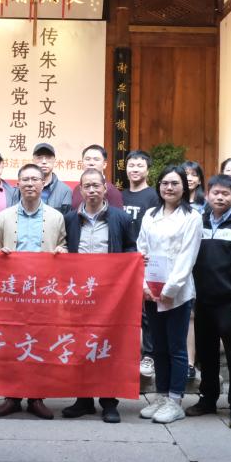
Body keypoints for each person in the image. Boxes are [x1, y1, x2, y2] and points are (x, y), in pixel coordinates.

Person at [0, 163, 68, 419]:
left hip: (44, 292)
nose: (31, 184)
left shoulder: (56, 217)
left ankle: (36, 397)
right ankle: (11, 397)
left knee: (41, 343)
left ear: (43, 183)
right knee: (12, 343)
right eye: (26, 180)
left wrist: (62, 252)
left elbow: (64, 247)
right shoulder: (5, 216)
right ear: (18, 184)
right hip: (13, 292)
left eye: (35, 179)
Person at [184, 174, 231, 428]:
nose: (220, 197)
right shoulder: (199, 221)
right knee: (206, 353)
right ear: (207, 194)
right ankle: (208, 399)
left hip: (230, 302)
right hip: (203, 300)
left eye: (225, 194)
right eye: (215, 193)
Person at [62, 168, 137, 424]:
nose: (92, 190)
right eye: (87, 186)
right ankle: (83, 400)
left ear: (105, 188)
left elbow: (130, 247)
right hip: (78, 294)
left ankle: (109, 402)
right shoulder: (70, 219)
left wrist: (132, 264)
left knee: (107, 346)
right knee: (79, 345)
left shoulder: (120, 218)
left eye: (97, 185)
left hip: (110, 295)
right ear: (80, 190)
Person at [136, 165, 203, 424]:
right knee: (158, 347)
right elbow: (141, 250)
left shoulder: (192, 217)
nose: (169, 188)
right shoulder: (150, 215)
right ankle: (161, 396)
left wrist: (169, 289)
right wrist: (145, 285)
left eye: (175, 183)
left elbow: (188, 257)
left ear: (184, 187)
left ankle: (175, 401)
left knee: (176, 348)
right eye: (165, 183)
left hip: (178, 293)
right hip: (151, 291)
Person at [121, 150, 160, 379]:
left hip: (145, 260)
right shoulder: (120, 195)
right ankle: (127, 353)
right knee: (126, 310)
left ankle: (149, 355)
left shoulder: (154, 196)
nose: (134, 169)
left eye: (139, 165)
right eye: (131, 165)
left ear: (148, 169)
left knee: (146, 311)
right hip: (123, 262)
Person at [181, 160, 207, 380]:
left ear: (200, 179)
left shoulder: (206, 205)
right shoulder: (172, 202)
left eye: (193, 174)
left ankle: (191, 361)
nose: (189, 178)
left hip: (200, 264)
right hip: (177, 263)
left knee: (194, 314)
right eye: (186, 174)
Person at [70, 145, 124, 209]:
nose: (91, 163)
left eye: (96, 159)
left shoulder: (112, 191)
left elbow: (117, 214)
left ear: (104, 164)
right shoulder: (77, 189)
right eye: (87, 159)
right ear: (82, 163)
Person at [32, 143, 73, 215]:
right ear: (33, 161)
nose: (44, 162)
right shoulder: (23, 188)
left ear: (54, 161)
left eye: (48, 157)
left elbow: (66, 219)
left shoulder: (65, 191)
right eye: (39, 157)